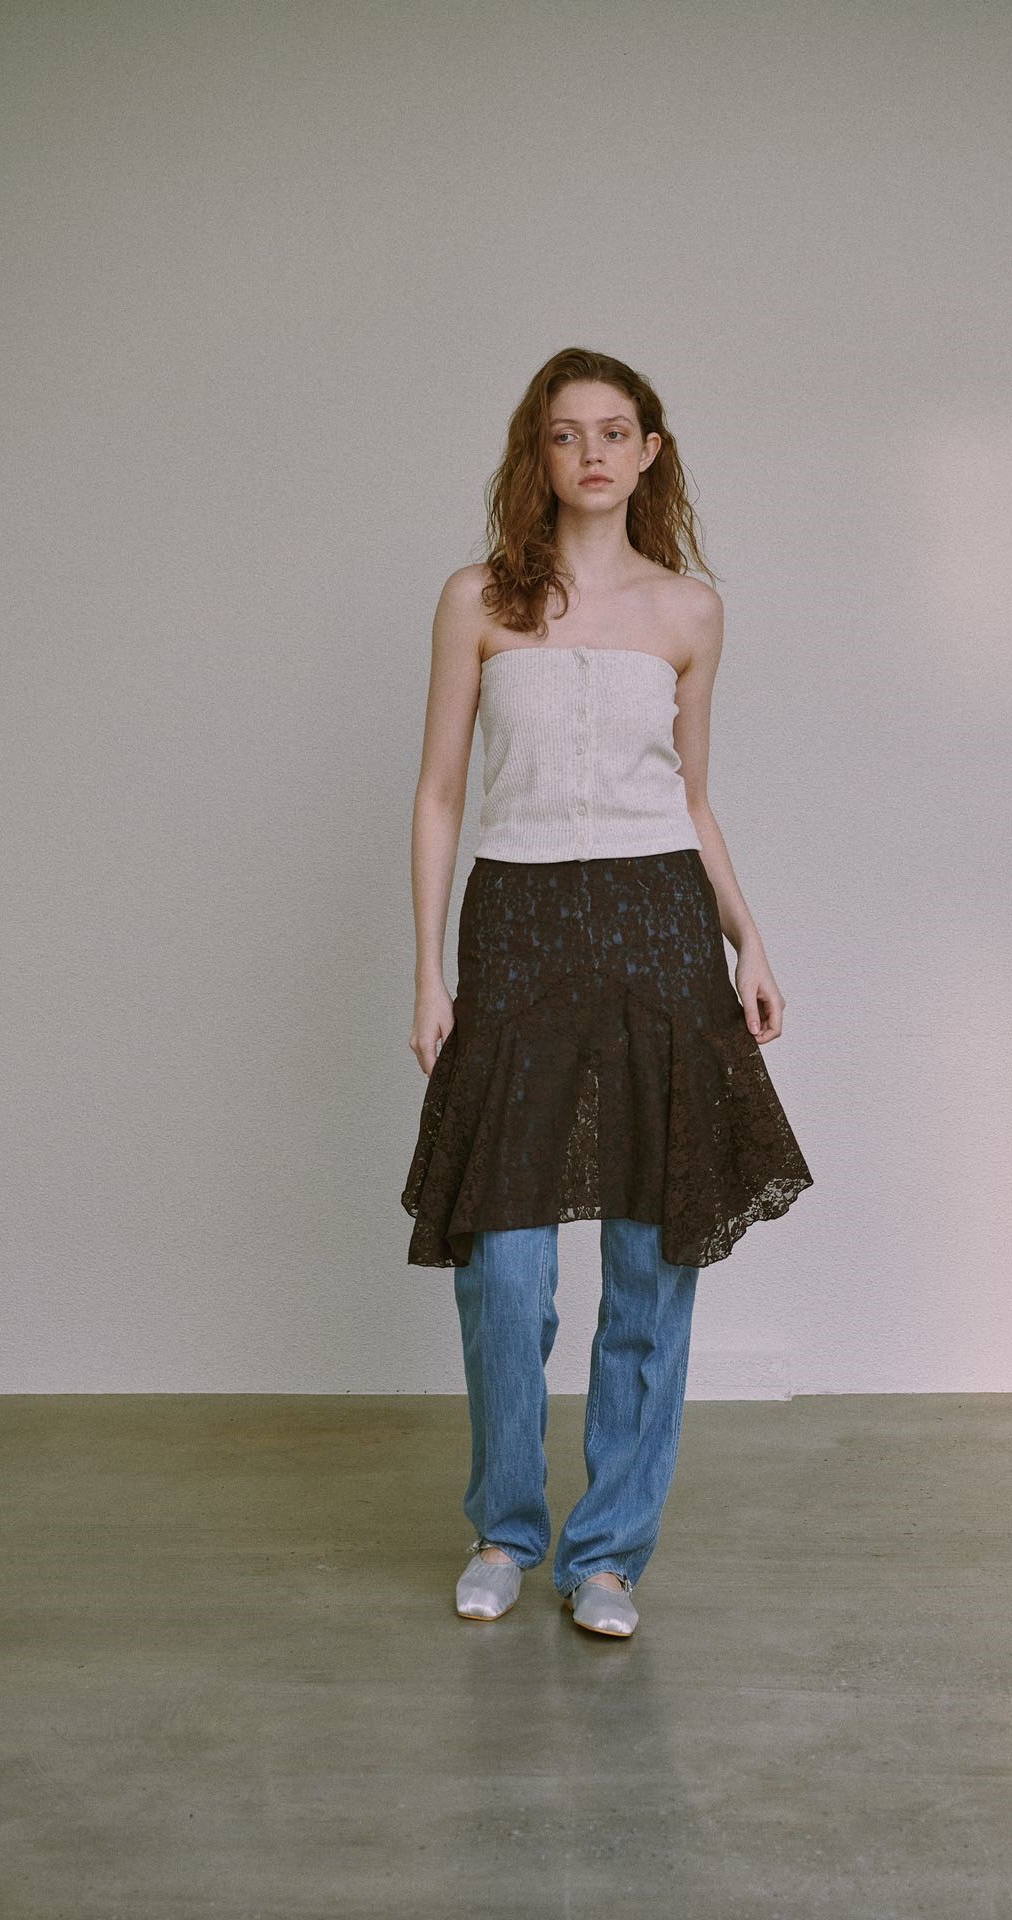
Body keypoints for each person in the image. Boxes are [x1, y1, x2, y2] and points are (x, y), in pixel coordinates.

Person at [401, 347, 813, 1637]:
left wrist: (748, 939)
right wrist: (427, 968)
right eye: (566, 432)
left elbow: (692, 799)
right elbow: (441, 793)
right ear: (538, 453)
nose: (591, 451)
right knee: (504, 1271)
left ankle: (610, 1555)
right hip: (519, 930)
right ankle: (505, 1528)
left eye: (615, 430)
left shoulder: (689, 612)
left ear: (648, 452)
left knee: (652, 1256)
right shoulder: (478, 600)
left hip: (657, 931)